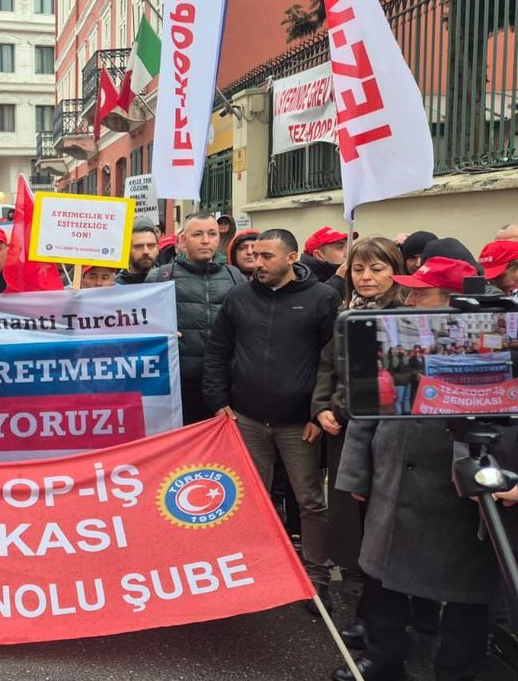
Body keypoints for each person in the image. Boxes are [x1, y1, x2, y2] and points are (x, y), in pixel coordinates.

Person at [333, 256, 498, 681]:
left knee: (465, 593)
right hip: (392, 482)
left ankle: (456, 671)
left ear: (454, 300)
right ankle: (383, 657)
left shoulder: (493, 342)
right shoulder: (395, 334)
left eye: (421, 294)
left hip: (457, 492)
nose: (408, 300)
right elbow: (366, 408)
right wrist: (356, 474)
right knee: (381, 579)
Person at [202, 229, 340, 610]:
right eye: (254, 255)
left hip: (300, 424)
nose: (257, 263)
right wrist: (218, 401)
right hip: (246, 419)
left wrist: (318, 411)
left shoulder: (323, 299)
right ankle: (254, 572)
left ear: (292, 258)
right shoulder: (238, 298)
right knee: (250, 500)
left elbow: (332, 362)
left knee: (310, 502)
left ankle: (316, 577)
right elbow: (217, 351)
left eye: (266, 256)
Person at [309, 237, 406, 650]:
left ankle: (383, 619)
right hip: (344, 432)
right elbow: (328, 366)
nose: (366, 277)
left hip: (384, 435)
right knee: (354, 523)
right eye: (359, 269)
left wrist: (342, 407)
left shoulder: (403, 316)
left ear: (395, 272)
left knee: (382, 525)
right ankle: (369, 610)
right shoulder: (346, 313)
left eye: (377, 269)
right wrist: (321, 408)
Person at [145, 213, 245, 424]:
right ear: (183, 239)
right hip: (177, 386)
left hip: (225, 385)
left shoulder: (236, 277)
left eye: (212, 234)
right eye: (198, 234)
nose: (206, 240)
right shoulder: (160, 277)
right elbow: (143, 328)